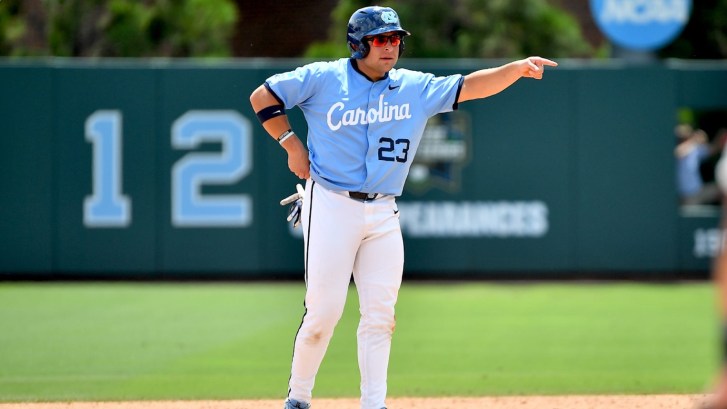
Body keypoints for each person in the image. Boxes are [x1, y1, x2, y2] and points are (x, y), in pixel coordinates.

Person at [249, 6, 557, 409]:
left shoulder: (414, 86)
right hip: (331, 205)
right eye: (381, 39)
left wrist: (514, 69)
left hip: (382, 211)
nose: (391, 46)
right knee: (324, 313)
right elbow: (264, 97)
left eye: (395, 39)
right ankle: (299, 397)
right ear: (358, 43)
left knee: (380, 315)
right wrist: (290, 143)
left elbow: (471, 86)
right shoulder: (324, 78)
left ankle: (374, 404)